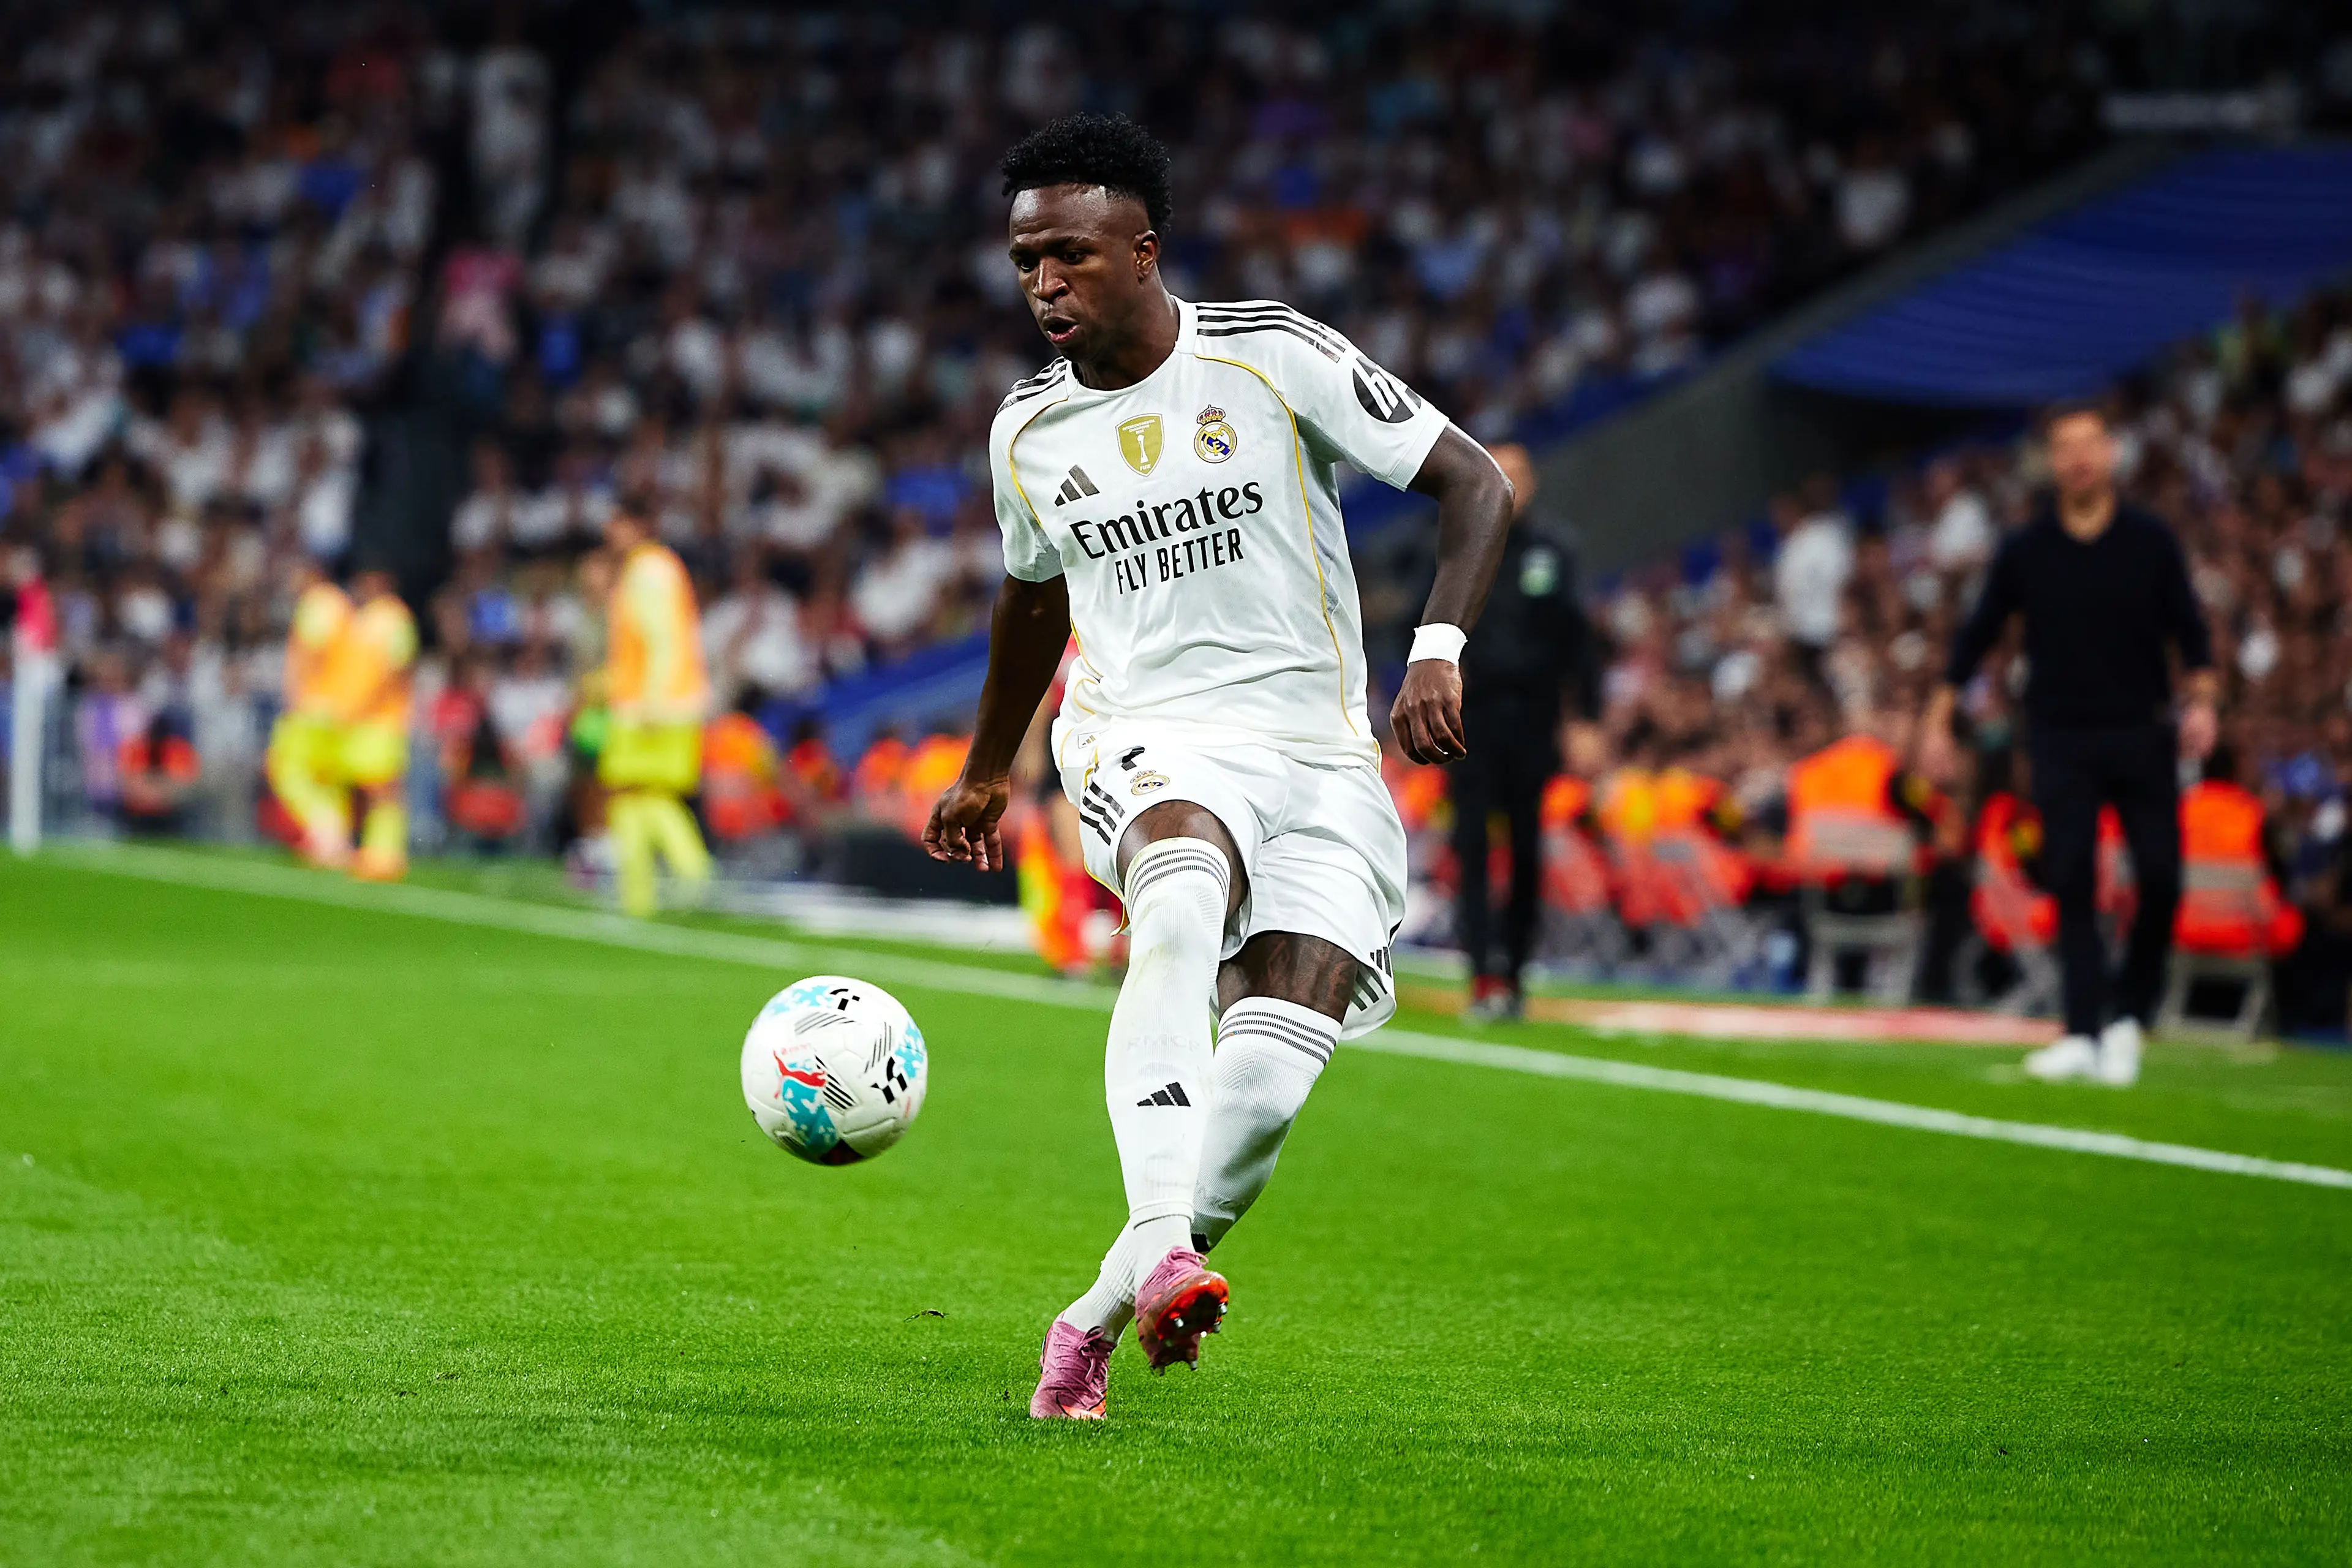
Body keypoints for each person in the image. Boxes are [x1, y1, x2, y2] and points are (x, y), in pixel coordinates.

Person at [921, 114, 1512, 1419]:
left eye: (1070, 255)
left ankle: (1095, 1311)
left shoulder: (1270, 355)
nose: (1044, 285)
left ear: (1144, 250)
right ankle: (1167, 1234)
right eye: (1025, 263)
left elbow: (1474, 484)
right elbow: (1032, 600)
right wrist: (986, 767)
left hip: (1318, 751)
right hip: (1144, 727)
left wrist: (1439, 649)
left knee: (1265, 1078)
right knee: (1179, 895)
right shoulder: (1027, 432)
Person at [1922, 401, 2217, 1086]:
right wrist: (1938, 716)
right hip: (2059, 735)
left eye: (2090, 444)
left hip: (2143, 729)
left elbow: (2192, 633)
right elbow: (1978, 633)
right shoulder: (2027, 549)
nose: (2079, 458)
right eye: (2065, 447)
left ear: (2111, 453)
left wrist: (2202, 703)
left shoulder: (2150, 540)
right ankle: (2082, 1029)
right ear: (2051, 462)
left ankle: (2128, 1015)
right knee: (2073, 879)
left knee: (2162, 876)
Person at [1449, 442, 1591, 1021]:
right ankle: (1482, 974)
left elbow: (1578, 639)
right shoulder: (1461, 542)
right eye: (1501, 472)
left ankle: (1518, 973)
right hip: (1471, 724)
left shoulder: (1554, 551)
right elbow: (1424, 623)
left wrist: (1586, 717)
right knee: (1473, 848)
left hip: (1533, 720)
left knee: (1529, 849)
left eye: (1520, 473)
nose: (1512, 483)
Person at [600, 507, 714, 918]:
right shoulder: (654, 568)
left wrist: (652, 699)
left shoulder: (649, 571)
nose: (610, 533)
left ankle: (689, 876)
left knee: (636, 792)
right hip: (658, 699)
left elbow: (662, 639)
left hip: (654, 704)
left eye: (617, 524)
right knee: (637, 794)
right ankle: (643, 894)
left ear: (638, 525)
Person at [320, 568, 419, 881]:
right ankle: (356, 848)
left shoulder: (395, 618)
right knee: (355, 784)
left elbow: (395, 669)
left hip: (382, 719)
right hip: (355, 718)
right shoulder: (363, 617)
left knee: (383, 787)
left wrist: (366, 704)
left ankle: (386, 854)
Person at [265, 561, 355, 867]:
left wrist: (296, 698)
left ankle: (326, 831)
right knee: (326, 779)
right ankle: (334, 844)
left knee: (285, 769)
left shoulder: (318, 604)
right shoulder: (343, 604)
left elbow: (312, 652)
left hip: (313, 707)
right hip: (339, 709)